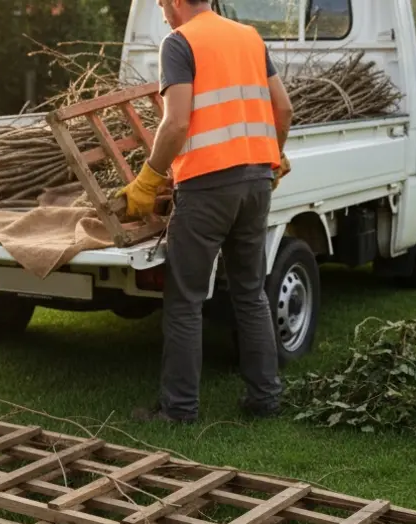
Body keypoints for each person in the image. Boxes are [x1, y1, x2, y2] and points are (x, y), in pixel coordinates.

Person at [126, 0, 293, 425]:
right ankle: (265, 399)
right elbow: (284, 109)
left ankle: (179, 411)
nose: (163, 10)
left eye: (164, 2)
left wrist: (148, 179)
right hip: (257, 182)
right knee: (251, 294)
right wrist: (275, 153)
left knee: (185, 301)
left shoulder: (179, 43)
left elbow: (177, 123)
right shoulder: (249, 38)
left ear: (180, 2)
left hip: (206, 189)